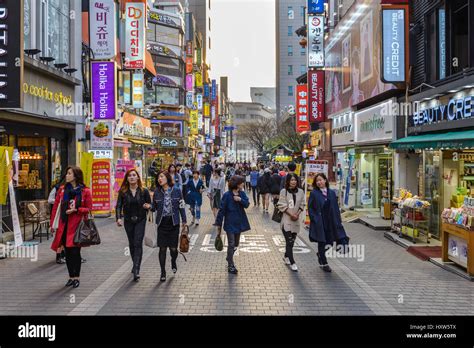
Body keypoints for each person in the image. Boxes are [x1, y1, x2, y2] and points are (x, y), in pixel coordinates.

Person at [50, 166, 92, 289]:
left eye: (69, 173)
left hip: (78, 226)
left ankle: (77, 277)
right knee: (67, 253)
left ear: (76, 176)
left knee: (75, 252)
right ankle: (70, 277)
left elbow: (89, 209)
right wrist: (52, 224)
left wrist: (76, 210)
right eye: (67, 173)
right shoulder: (62, 190)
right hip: (64, 225)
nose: (66, 176)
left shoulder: (85, 191)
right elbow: (56, 208)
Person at [308, 173, 350, 273]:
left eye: (321, 180)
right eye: (317, 181)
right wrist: (315, 219)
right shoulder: (314, 193)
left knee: (330, 243)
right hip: (320, 222)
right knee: (322, 242)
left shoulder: (331, 193)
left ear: (325, 180)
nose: (319, 182)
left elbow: (335, 208)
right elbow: (310, 208)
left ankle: (320, 254)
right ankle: (324, 263)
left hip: (331, 221)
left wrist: (338, 221)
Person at [116, 169, 152, 282]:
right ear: (127, 178)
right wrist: (118, 218)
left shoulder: (144, 191)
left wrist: (148, 206)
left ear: (137, 178)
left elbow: (150, 204)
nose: (132, 177)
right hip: (128, 220)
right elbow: (118, 206)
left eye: (134, 175)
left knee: (137, 243)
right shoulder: (123, 191)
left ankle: (136, 269)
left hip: (141, 220)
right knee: (132, 243)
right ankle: (134, 263)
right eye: (129, 176)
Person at [152, 171, 187, 282]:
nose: (159, 179)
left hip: (174, 223)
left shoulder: (177, 190)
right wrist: (148, 206)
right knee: (162, 249)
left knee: (173, 249)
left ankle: (173, 261)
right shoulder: (157, 192)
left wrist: (184, 221)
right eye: (158, 177)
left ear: (167, 178)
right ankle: (163, 272)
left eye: (161, 176)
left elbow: (181, 206)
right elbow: (154, 207)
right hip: (162, 223)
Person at [214, 176, 250, 274]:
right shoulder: (226, 195)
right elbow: (221, 210)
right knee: (231, 243)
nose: (243, 184)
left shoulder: (242, 194)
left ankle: (228, 257)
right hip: (229, 223)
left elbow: (247, 204)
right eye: (242, 183)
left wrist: (240, 200)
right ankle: (231, 264)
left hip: (239, 223)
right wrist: (218, 224)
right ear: (237, 184)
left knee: (236, 244)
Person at [277, 174, 305, 272]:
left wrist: (297, 214)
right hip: (286, 220)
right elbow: (281, 205)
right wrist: (291, 214)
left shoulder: (301, 192)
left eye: (295, 180)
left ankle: (286, 256)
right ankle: (293, 262)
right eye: (291, 180)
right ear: (288, 181)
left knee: (292, 242)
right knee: (289, 241)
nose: (293, 182)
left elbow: (302, 204)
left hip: (296, 220)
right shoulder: (283, 191)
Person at [48, 173, 66, 264]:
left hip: (66, 215)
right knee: (60, 237)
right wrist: (59, 202)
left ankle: (63, 255)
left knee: (64, 237)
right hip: (59, 214)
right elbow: (49, 200)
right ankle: (59, 256)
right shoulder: (57, 188)